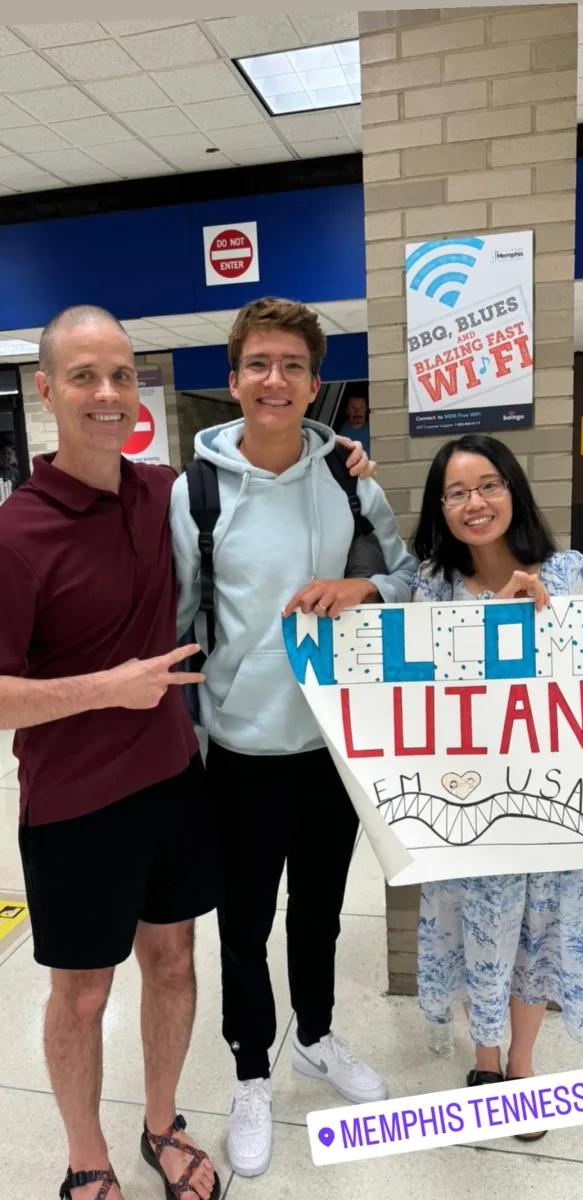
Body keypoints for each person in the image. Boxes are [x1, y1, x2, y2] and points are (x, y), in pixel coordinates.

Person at [0, 304, 373, 1200]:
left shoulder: (164, 489)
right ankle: (86, 1159)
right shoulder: (15, 532)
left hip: (176, 782)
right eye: (84, 376)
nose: (107, 393)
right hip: (75, 802)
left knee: (173, 965)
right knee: (83, 995)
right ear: (45, 389)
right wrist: (104, 688)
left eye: (122, 375)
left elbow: (265, 456)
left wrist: (342, 453)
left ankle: (162, 1124)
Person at [170, 297, 418, 1178]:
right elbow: (179, 621)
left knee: (317, 911)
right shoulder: (192, 491)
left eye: (293, 367)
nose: (274, 381)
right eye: (258, 364)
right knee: (243, 922)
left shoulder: (354, 481)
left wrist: (363, 592)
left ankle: (312, 1034)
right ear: (234, 379)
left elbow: (407, 578)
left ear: (316, 384)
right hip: (239, 751)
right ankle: (249, 1070)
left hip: (333, 746)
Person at [410, 433, 583, 1141]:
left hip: (554, 802)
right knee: (478, 932)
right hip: (467, 804)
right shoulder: (432, 584)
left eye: (486, 484)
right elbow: (417, 691)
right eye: (454, 492)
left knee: (539, 933)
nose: (473, 502)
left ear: (512, 490)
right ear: (440, 508)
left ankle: (520, 1065)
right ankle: (483, 1062)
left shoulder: (571, 571)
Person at [339, 394, 370, 458]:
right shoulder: (339, 435)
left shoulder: (373, 431)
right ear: (347, 410)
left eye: (361, 407)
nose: (357, 412)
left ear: (366, 409)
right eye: (353, 407)